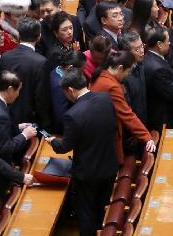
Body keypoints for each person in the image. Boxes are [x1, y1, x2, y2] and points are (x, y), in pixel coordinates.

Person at [48, 68, 118, 235]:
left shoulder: (73, 114)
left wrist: (53, 142)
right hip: (109, 167)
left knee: (86, 214)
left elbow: (65, 147)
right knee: (100, 208)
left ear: (71, 89)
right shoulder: (106, 99)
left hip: (87, 174)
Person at [90, 50, 155, 162]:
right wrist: (146, 137)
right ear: (120, 68)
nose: (127, 75)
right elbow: (126, 114)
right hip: (106, 139)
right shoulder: (112, 86)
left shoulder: (100, 75)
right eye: (128, 72)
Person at [2, 17, 50, 129]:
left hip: (6, 115)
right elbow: (41, 98)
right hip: (30, 120)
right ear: (39, 36)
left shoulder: (5, 56)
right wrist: (45, 123)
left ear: (18, 35)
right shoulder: (41, 62)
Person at [0, 70, 37, 196]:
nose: (18, 94)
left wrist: (18, 128)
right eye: (18, 90)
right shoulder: (0, 115)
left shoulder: (0, 105)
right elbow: (5, 148)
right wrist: (25, 135)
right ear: (9, 89)